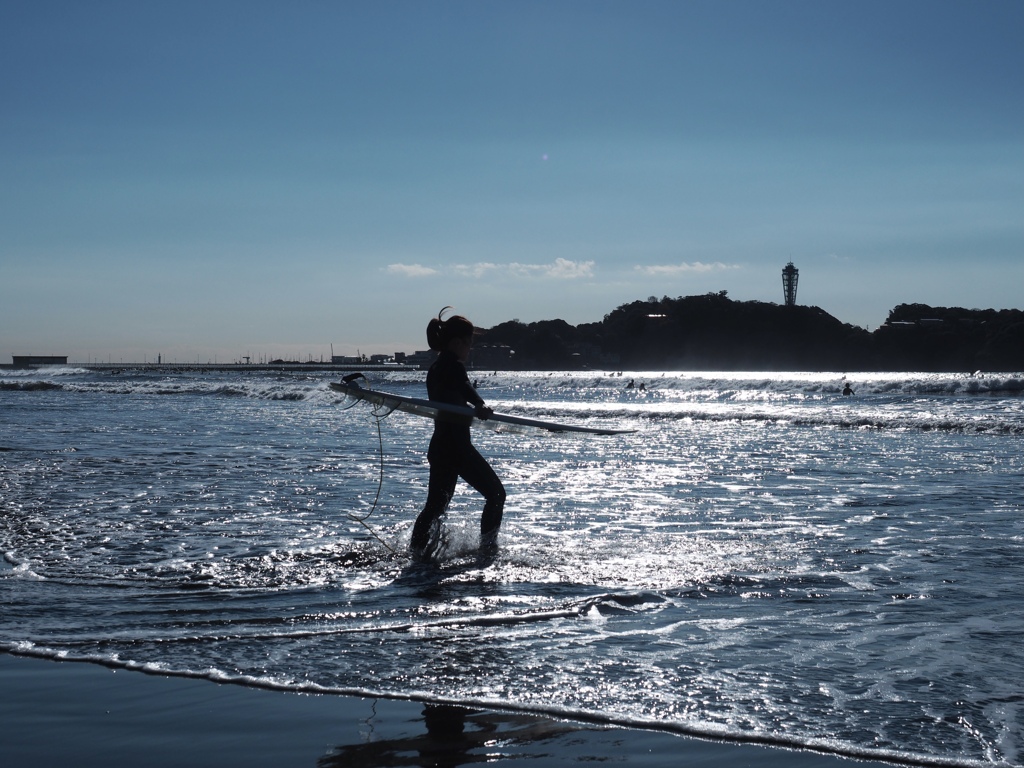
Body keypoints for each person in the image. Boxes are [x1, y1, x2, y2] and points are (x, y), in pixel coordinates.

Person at [410, 308, 506, 558]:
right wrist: (479, 404)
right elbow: (463, 387)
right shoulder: (451, 366)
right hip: (456, 447)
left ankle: (416, 554)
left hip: (441, 446)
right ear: (456, 343)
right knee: (496, 494)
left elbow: (451, 396)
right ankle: (487, 550)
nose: (469, 349)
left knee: (435, 506)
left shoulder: (436, 368)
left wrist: (471, 406)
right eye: (468, 344)